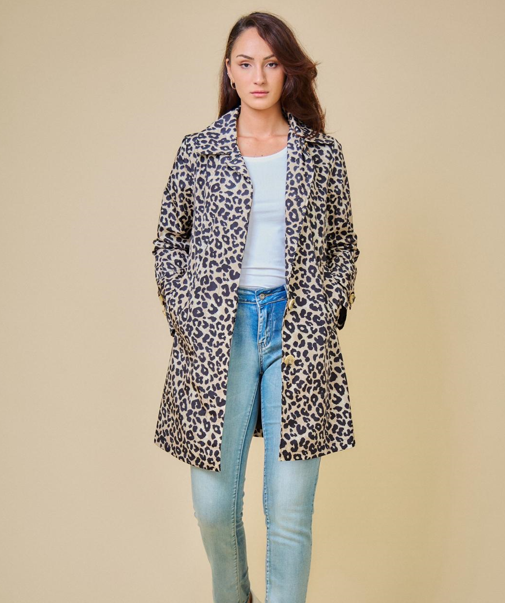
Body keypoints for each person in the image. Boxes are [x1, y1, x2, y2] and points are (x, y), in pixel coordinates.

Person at [152, 11, 360, 603]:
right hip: (220, 331)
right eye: (246, 64)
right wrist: (188, 313)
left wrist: (323, 311)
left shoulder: (321, 155)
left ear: (288, 71)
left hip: (298, 329)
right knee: (214, 508)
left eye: (271, 63)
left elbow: (343, 244)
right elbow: (169, 241)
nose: (259, 77)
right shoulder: (200, 152)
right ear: (229, 71)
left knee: (289, 514)